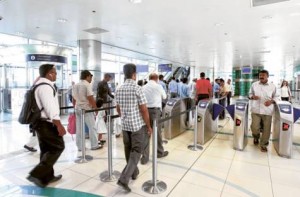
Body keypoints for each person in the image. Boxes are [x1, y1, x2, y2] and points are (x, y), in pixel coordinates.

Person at [26, 64, 66, 188]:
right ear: (49, 73)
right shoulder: (46, 87)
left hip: (39, 123)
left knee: (46, 150)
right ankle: (37, 174)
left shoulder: (38, 84)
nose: (56, 75)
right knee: (58, 147)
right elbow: (50, 108)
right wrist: (59, 125)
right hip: (46, 123)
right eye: (54, 72)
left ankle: (47, 177)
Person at [115, 63, 152, 192]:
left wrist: (124, 116)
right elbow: (144, 109)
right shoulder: (137, 88)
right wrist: (148, 126)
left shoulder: (119, 89)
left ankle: (133, 172)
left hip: (125, 125)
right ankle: (124, 179)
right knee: (137, 150)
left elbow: (118, 108)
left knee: (128, 149)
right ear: (134, 74)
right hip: (137, 126)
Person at [249, 70, 279, 152]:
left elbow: (276, 97)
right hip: (256, 110)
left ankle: (264, 144)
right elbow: (249, 94)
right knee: (254, 127)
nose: (261, 76)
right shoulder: (254, 85)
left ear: (267, 76)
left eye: (263, 75)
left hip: (267, 111)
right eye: (260, 75)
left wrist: (271, 101)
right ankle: (256, 137)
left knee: (266, 129)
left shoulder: (272, 86)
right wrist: (252, 97)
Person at [141, 73, 168, 165]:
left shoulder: (143, 87)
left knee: (145, 134)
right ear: (156, 79)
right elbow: (164, 97)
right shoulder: (159, 86)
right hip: (155, 112)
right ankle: (159, 152)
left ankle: (145, 158)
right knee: (157, 133)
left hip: (145, 111)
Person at [72, 70, 102, 151]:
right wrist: (96, 109)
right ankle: (94, 145)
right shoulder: (87, 85)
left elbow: (73, 98)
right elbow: (90, 98)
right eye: (90, 77)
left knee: (79, 128)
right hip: (86, 109)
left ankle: (80, 147)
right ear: (87, 76)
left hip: (77, 108)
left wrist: (74, 107)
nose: (91, 79)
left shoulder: (76, 85)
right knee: (92, 127)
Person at [96, 73, 114, 143]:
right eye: (109, 78)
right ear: (106, 77)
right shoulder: (100, 83)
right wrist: (99, 104)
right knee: (100, 119)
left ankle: (100, 136)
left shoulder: (106, 84)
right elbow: (98, 93)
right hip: (101, 103)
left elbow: (108, 93)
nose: (109, 79)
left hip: (105, 102)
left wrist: (114, 97)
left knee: (104, 118)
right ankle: (98, 137)